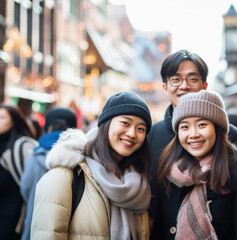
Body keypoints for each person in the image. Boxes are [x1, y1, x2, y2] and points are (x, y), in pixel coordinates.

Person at [31, 92, 152, 239]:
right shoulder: (67, 174)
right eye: (125, 123)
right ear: (105, 124)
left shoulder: (138, 185)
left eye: (141, 129)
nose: (132, 133)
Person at [147, 49, 237, 226]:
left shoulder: (234, 138)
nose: (184, 86)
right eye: (175, 79)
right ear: (165, 87)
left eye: (192, 79)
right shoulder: (151, 136)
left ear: (205, 86)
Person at [152, 90, 237, 239]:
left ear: (218, 128)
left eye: (202, 124)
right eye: (184, 127)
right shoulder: (171, 170)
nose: (193, 134)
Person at [20, 107, 77, 240]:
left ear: (47, 128)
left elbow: (25, 187)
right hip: (70, 226)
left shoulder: (35, 156)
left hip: (36, 220)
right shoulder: (79, 156)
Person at [0, 105, 38, 240]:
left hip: (11, 216)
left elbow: (31, 183)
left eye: (2, 117)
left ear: (14, 121)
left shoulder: (22, 145)